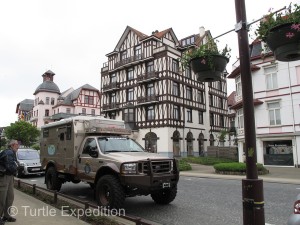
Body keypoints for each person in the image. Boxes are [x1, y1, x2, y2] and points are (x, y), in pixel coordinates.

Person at [0, 140, 19, 224]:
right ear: (12, 145)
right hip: (4, 177)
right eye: (17, 144)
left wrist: (16, 165)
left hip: (10, 177)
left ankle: (6, 216)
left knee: (10, 197)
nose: (18, 146)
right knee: (2, 199)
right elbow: (11, 166)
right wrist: (17, 166)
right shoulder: (8, 153)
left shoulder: (12, 152)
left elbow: (14, 164)